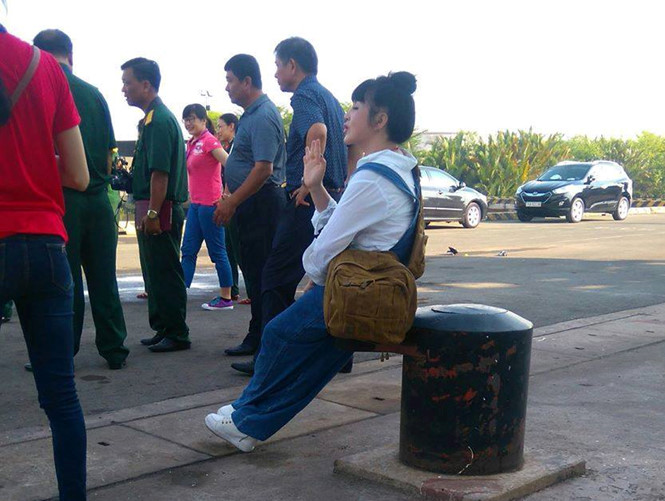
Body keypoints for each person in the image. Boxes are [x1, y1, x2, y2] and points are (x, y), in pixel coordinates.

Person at [205, 71, 419, 451]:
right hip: (370, 291)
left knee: (278, 334)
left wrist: (311, 279)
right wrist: (317, 185)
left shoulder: (374, 177)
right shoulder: (399, 167)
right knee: (314, 363)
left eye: (356, 107)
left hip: (354, 289)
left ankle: (244, 418)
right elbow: (341, 222)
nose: (346, 116)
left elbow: (328, 245)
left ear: (380, 119)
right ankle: (247, 420)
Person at [1, 22, 90, 500]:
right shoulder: (44, 66)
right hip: (47, 245)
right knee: (61, 398)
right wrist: (33, 164)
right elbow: (78, 174)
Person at [230, 37, 348, 375]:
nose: (276, 74)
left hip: (307, 199)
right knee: (327, 278)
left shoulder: (305, 95)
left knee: (275, 278)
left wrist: (310, 182)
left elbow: (318, 130)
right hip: (328, 197)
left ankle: (272, 360)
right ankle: (340, 358)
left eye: (278, 66)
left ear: (293, 66)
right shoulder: (327, 95)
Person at [33, 29, 129, 370]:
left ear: (39, 56)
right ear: (70, 55)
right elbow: (109, 155)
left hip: (63, 201)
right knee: (104, 279)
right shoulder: (95, 94)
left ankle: (63, 351)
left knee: (64, 281)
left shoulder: (40, 90)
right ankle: (114, 349)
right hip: (99, 200)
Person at [213, 54, 286, 357]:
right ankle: (257, 337)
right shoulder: (250, 115)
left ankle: (267, 349)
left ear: (246, 81)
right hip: (251, 203)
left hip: (262, 204)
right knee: (254, 276)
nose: (226, 87)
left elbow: (263, 169)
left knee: (263, 277)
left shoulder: (263, 115)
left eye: (230, 80)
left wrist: (232, 201)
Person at [121, 57, 191, 352]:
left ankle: (176, 332)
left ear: (146, 85)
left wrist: (152, 212)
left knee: (165, 270)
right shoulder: (152, 119)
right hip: (154, 205)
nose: (124, 89)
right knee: (154, 271)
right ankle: (164, 328)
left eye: (128, 83)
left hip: (160, 207)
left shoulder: (159, 121)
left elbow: (159, 174)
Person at [180, 103, 234, 310]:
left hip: (210, 205)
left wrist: (226, 195)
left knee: (217, 252)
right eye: (186, 119)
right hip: (195, 206)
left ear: (203, 120)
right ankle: (179, 293)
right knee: (188, 250)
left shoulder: (209, 140)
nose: (188, 123)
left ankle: (226, 297)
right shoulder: (191, 143)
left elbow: (231, 165)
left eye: (192, 119)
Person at [217, 113, 251, 305]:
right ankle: (233, 290)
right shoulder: (225, 148)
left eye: (221, 126)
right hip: (226, 200)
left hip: (237, 201)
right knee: (228, 247)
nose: (218, 130)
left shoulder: (238, 147)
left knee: (241, 249)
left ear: (232, 126)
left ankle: (253, 291)